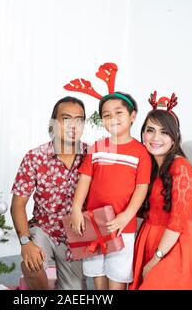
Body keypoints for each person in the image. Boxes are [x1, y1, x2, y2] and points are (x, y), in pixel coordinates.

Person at [70, 92, 151, 290]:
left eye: (118, 113)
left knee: (118, 274)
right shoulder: (98, 147)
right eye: (106, 115)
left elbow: (141, 187)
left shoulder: (141, 152)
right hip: (93, 221)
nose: (112, 119)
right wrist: (76, 209)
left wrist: (127, 216)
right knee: (97, 274)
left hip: (122, 226)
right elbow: (85, 179)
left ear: (132, 116)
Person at [129, 92, 192, 290]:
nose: (156, 138)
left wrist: (156, 259)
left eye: (164, 132)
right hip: (148, 237)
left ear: (174, 138)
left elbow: (177, 222)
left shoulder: (181, 168)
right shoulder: (149, 165)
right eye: (150, 130)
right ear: (142, 134)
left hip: (174, 243)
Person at [10, 96, 88, 290]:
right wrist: (25, 242)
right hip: (44, 229)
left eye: (79, 120)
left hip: (75, 236)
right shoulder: (35, 157)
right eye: (66, 119)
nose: (73, 126)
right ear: (53, 123)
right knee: (32, 265)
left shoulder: (92, 155)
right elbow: (17, 205)